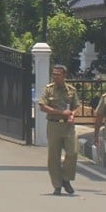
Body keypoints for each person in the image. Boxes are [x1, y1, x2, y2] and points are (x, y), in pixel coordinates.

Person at [38, 64, 79, 195]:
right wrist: (61, 113)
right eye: (53, 74)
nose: (55, 76)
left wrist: (72, 114)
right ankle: (57, 185)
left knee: (73, 152)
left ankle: (66, 178)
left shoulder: (71, 90)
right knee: (54, 156)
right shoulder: (48, 89)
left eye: (57, 74)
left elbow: (76, 106)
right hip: (54, 125)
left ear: (64, 75)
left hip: (68, 126)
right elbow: (42, 106)